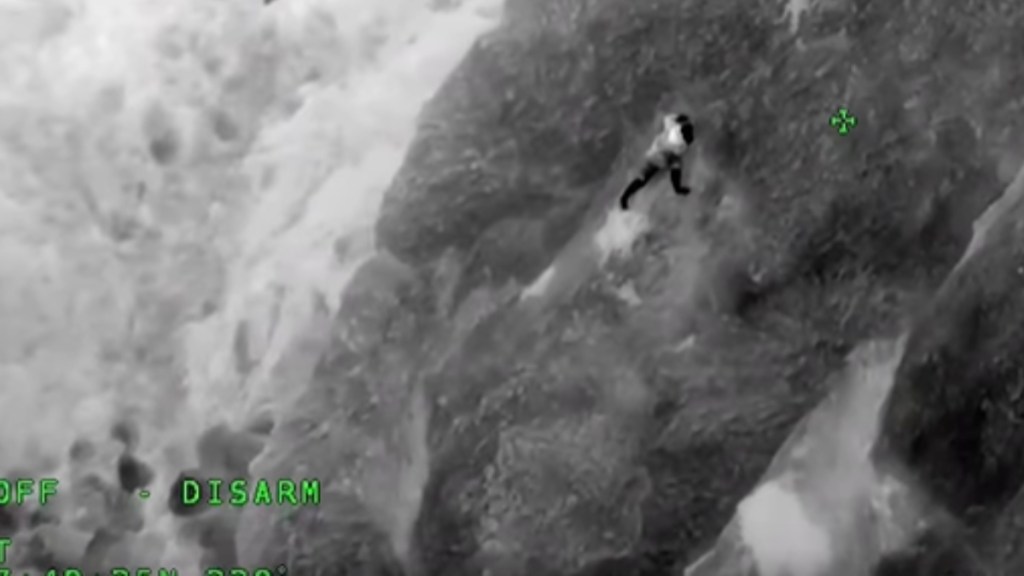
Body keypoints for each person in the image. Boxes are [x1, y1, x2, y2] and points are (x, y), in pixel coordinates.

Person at [619, 113, 695, 210]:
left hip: (653, 151)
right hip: (659, 158)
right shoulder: (679, 147)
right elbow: (675, 165)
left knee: (642, 179)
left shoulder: (672, 126)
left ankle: (624, 197)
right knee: (675, 165)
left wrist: (680, 117)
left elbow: (667, 118)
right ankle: (677, 189)